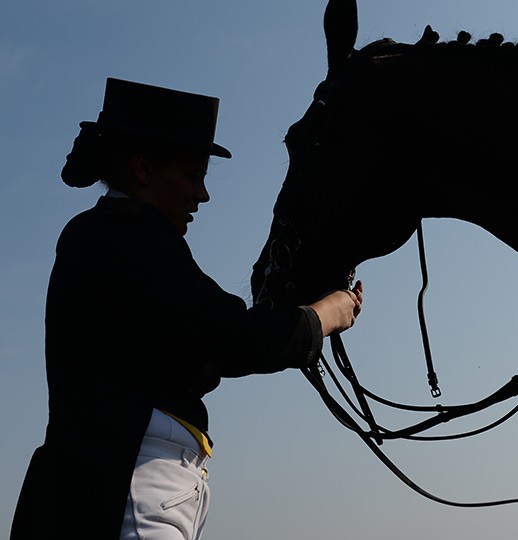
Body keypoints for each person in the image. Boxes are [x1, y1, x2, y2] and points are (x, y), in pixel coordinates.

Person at [10, 77, 363, 540]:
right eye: (193, 176)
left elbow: (210, 340)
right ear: (143, 168)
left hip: (135, 481)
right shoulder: (126, 236)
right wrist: (325, 315)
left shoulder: (110, 237)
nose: (203, 195)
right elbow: (235, 337)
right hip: (131, 482)